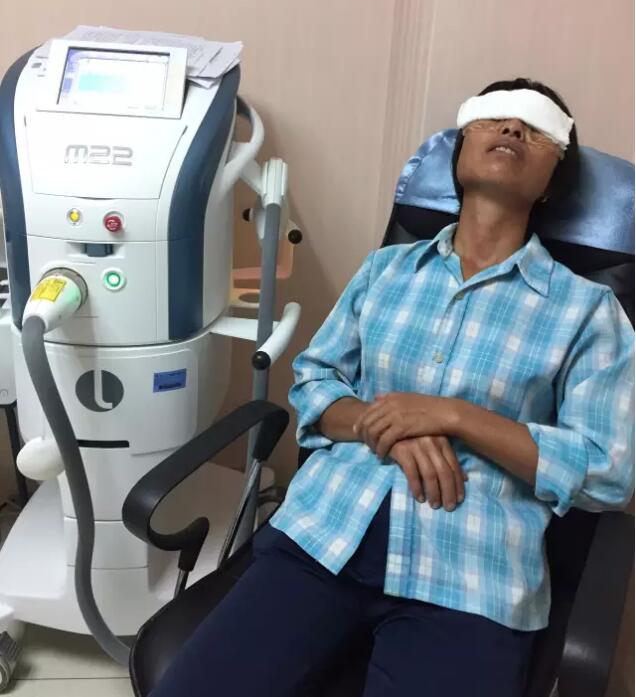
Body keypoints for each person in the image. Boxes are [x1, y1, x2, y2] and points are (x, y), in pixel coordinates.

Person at [150, 79, 634, 697]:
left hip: (470, 575)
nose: (513, 128)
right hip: (324, 535)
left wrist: (454, 417)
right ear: (460, 153)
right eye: (495, 117)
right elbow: (315, 380)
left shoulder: (586, 311)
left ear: (552, 181)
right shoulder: (385, 271)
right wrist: (388, 427)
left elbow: (605, 469)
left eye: (536, 128)